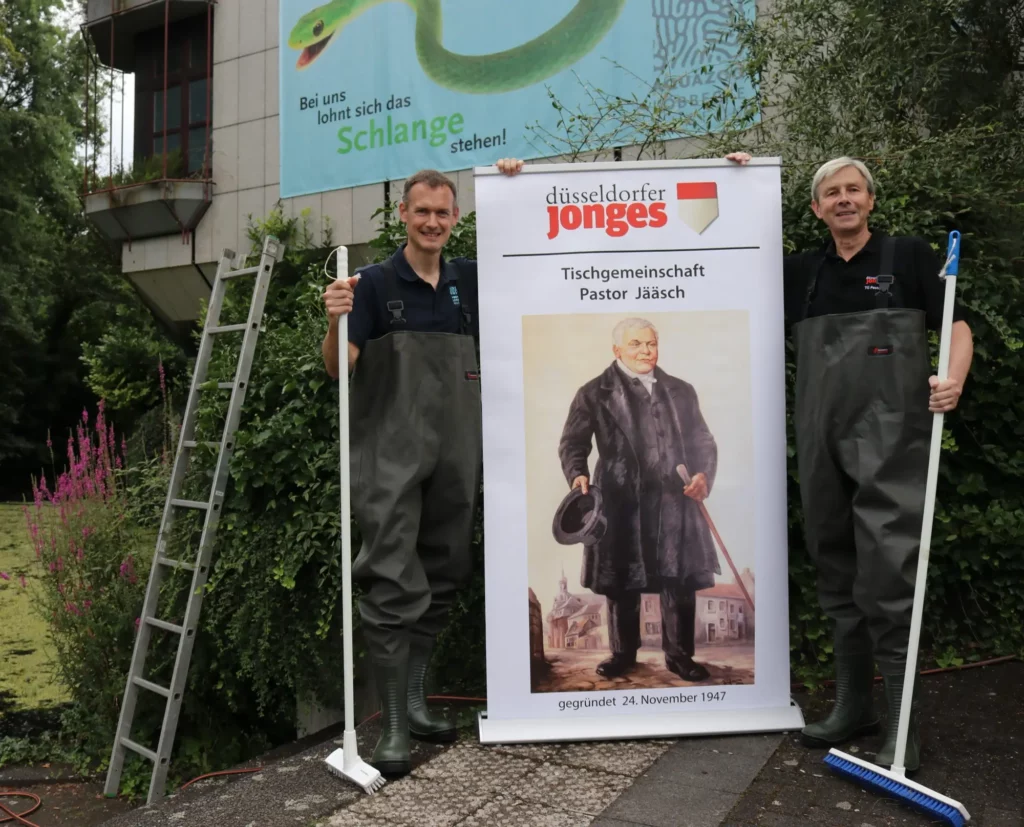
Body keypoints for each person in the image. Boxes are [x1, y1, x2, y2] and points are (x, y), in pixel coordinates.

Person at [727, 151, 974, 771]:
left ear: (869, 200)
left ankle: (901, 727)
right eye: (831, 192)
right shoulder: (800, 273)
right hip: (820, 440)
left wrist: (954, 378)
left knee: (889, 574)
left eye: (853, 190)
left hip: (892, 441)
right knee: (833, 565)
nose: (843, 199)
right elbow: (720, 255)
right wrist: (736, 177)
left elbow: (958, 325)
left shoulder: (907, 257)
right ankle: (853, 706)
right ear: (815, 208)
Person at [321, 160, 522, 776]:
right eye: (422, 211)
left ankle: (417, 696)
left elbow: (541, 263)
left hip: (457, 452)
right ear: (403, 215)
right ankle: (394, 726)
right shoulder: (374, 285)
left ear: (455, 219)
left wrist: (516, 181)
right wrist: (334, 320)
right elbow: (338, 369)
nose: (432, 221)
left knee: (446, 567)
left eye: (443, 212)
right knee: (389, 576)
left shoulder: (470, 281)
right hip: (390, 454)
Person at [556, 317, 720, 683]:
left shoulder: (681, 390)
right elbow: (573, 444)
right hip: (619, 501)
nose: (645, 351)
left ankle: (680, 656)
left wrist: (703, 475)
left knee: (677, 580)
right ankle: (622, 654)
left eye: (650, 344)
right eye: (636, 345)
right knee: (622, 581)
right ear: (617, 350)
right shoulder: (593, 392)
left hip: (672, 501)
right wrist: (577, 473)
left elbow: (702, 440)